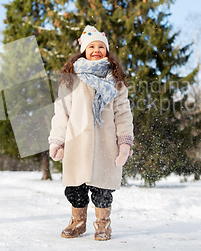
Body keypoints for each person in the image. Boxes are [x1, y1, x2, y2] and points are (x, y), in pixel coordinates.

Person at [48, 25, 134, 241]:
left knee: (102, 188)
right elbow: (62, 112)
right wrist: (57, 141)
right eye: (92, 46)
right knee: (74, 187)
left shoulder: (116, 82)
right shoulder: (70, 79)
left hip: (105, 143)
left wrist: (124, 143)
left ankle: (103, 224)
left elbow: (123, 114)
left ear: (107, 51)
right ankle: (78, 222)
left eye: (101, 46)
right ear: (84, 50)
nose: (96, 50)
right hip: (76, 142)